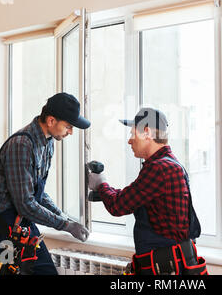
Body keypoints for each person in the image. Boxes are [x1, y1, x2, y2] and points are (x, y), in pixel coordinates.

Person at [0, 92, 90, 275]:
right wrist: (65, 225)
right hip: (3, 232)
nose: (70, 131)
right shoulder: (21, 145)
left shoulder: (48, 143)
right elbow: (25, 204)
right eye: (68, 126)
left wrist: (63, 217)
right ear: (51, 121)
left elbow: (38, 192)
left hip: (23, 227)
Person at [88, 107, 208, 275]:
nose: (130, 141)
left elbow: (118, 206)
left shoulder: (159, 169)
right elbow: (133, 195)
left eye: (132, 134)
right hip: (171, 262)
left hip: (166, 267)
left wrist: (101, 184)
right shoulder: (170, 164)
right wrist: (104, 191)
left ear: (146, 132)